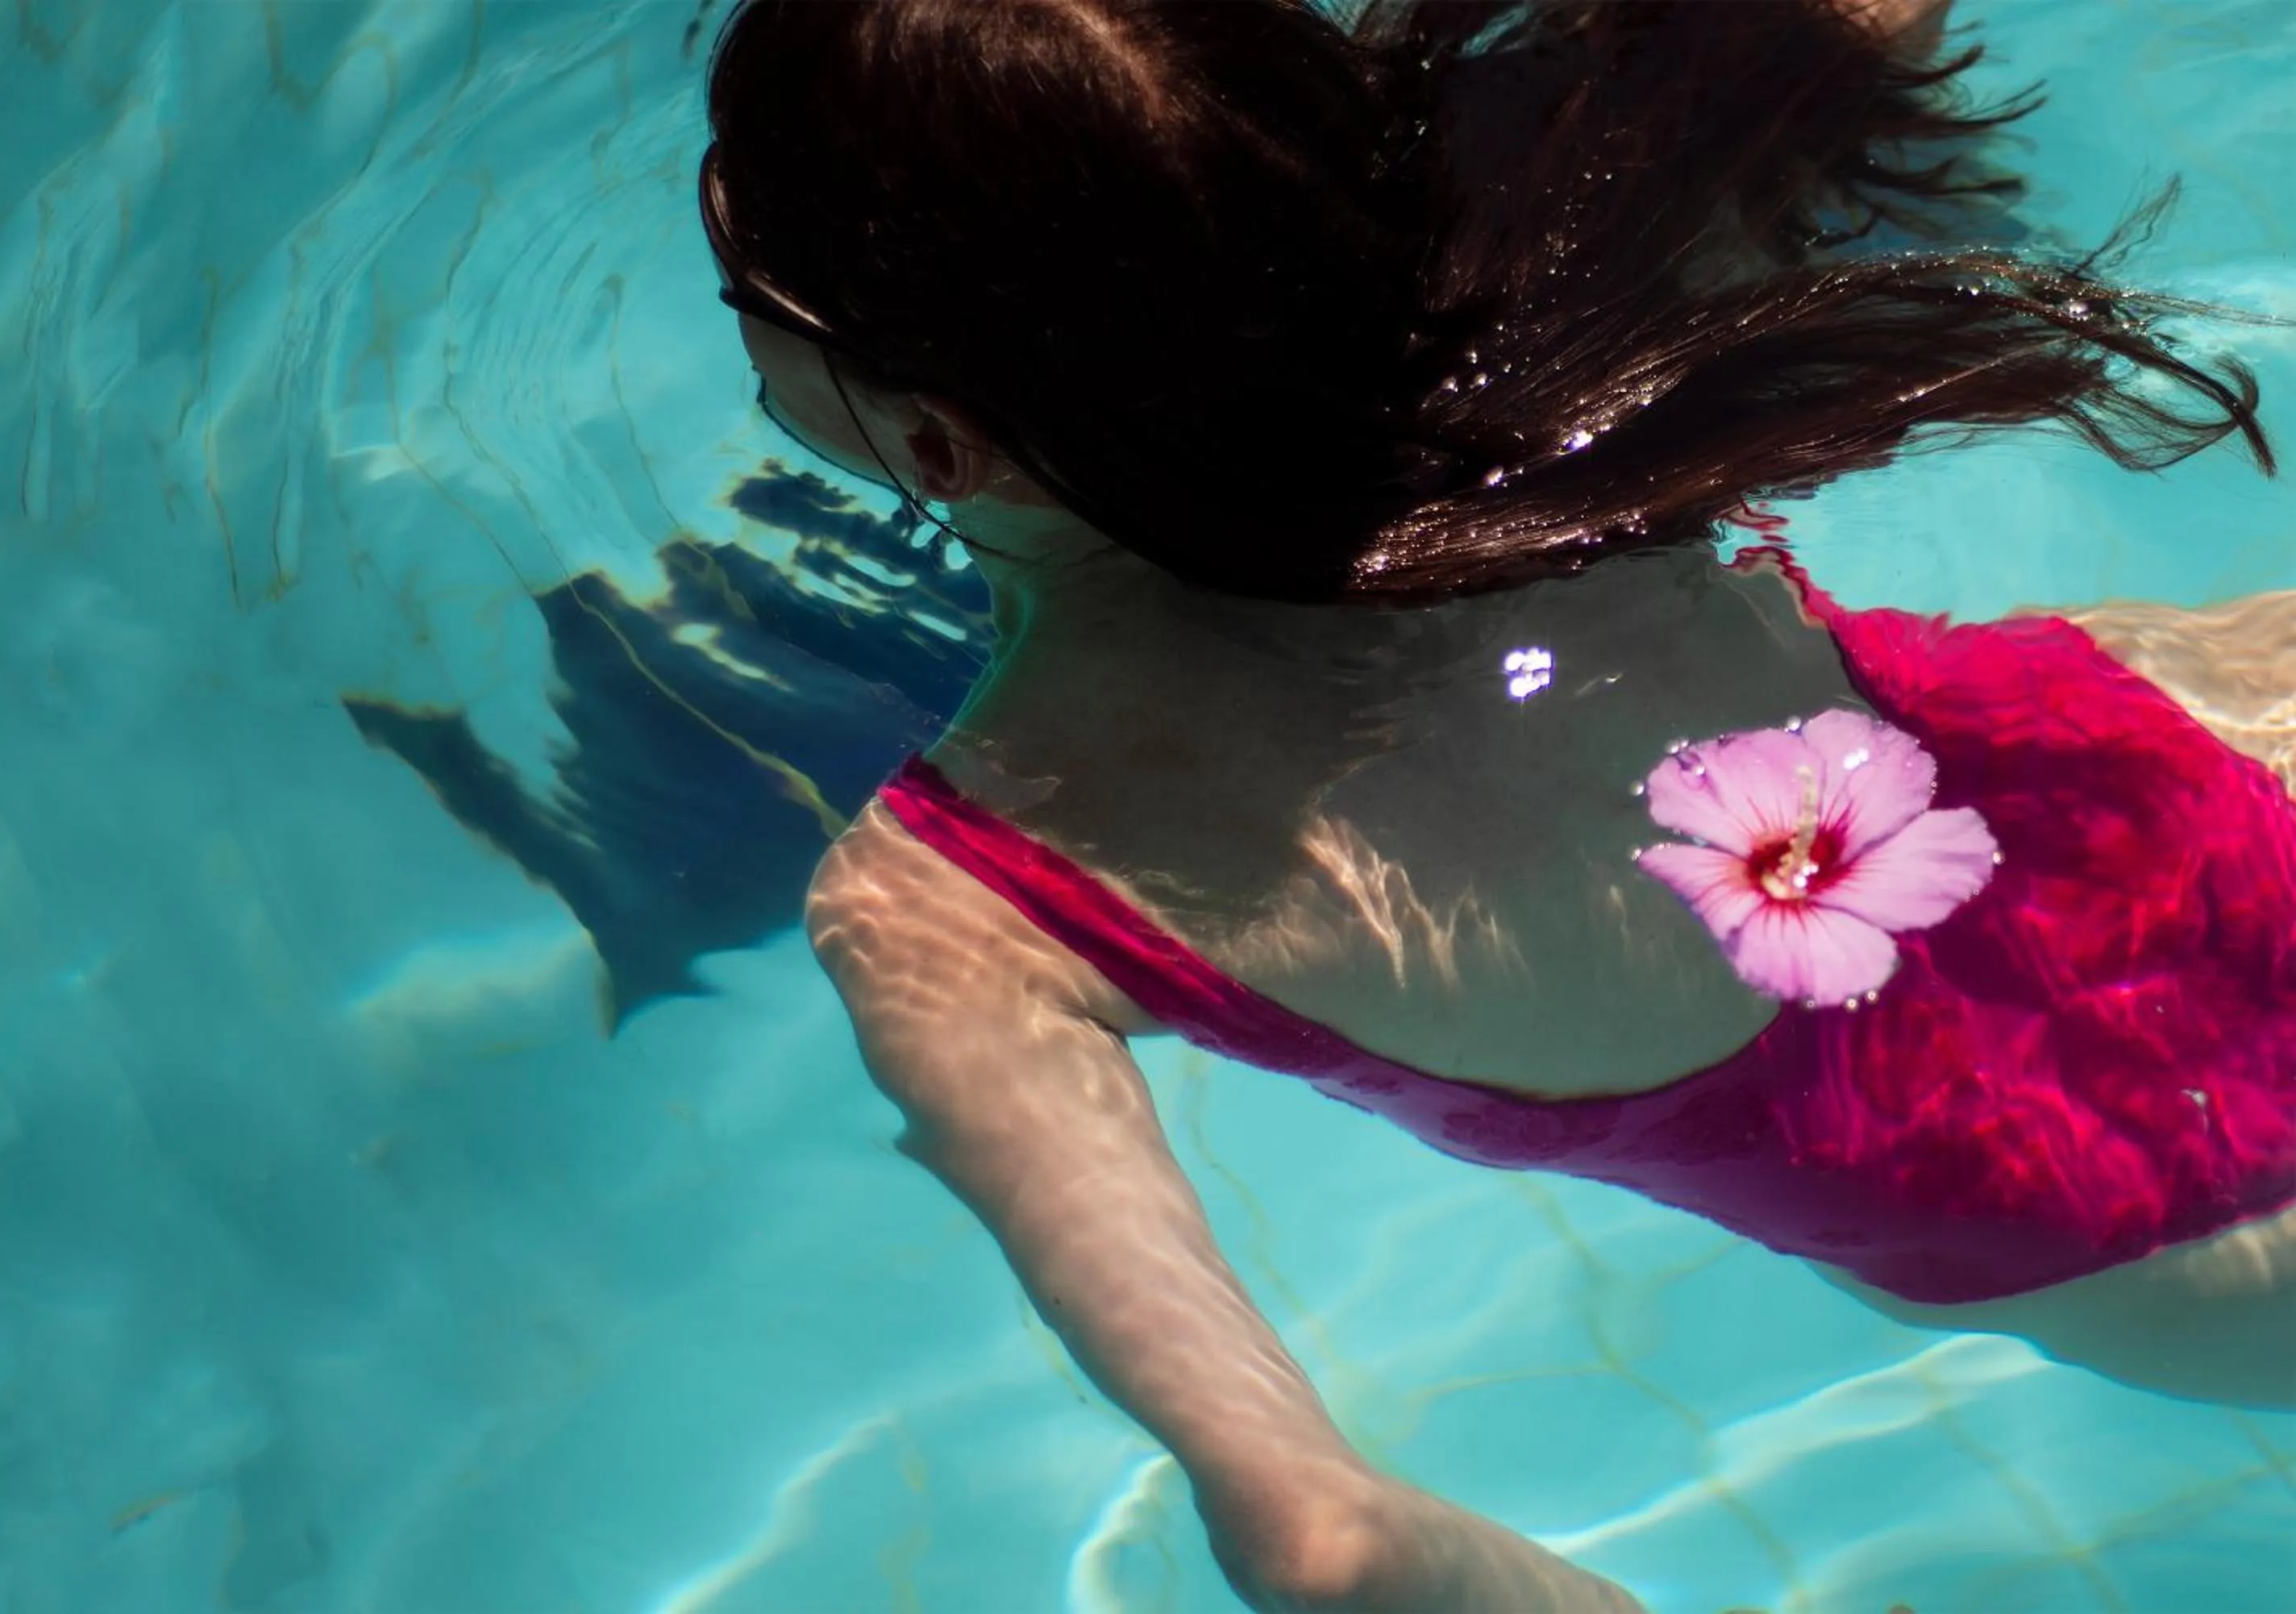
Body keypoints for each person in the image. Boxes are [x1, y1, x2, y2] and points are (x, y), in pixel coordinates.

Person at [697, 2, 2294, 1608]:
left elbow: (1327, 1542)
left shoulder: (967, 896)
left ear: (933, 438)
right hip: (2167, 776)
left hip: (2131, 1231)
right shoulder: (1543, 245)